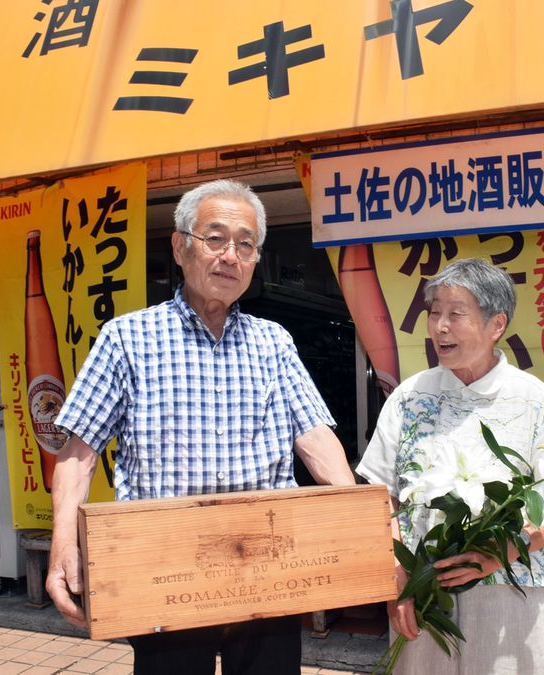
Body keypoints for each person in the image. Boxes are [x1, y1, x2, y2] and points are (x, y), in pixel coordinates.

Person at [45, 179, 356, 675]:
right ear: (180, 246)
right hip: (165, 570)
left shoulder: (273, 341)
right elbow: (78, 454)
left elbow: (315, 437)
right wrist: (64, 543)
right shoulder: (128, 338)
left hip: (266, 571)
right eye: (215, 238)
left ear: (256, 260)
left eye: (245, 244)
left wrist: (354, 516)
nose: (230, 255)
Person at [356, 258, 544, 675]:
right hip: (423, 594)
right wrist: (397, 578)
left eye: (456, 314)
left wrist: (498, 555)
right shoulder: (409, 398)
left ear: (497, 325)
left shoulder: (533, 401)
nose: (440, 326)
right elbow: (379, 496)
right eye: (434, 312)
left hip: (510, 595)